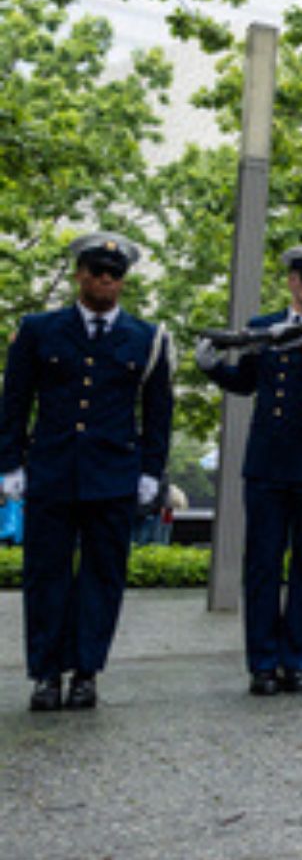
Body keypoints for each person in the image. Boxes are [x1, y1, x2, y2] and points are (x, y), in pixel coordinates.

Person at [1, 232, 174, 712]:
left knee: (102, 576)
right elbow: (14, 402)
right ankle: (45, 673)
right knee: (45, 575)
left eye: (115, 274)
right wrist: (9, 464)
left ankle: (86, 672)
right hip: (52, 471)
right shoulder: (38, 329)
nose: (105, 280)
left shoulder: (148, 338)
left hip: (113, 476)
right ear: (79, 273)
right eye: (97, 271)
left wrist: (150, 471)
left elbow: (158, 413)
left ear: (124, 282)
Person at [197, 244, 302, 696]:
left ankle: (297, 662)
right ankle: (263, 664)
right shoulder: (262, 327)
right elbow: (248, 381)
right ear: (291, 281)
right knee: (263, 566)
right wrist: (213, 369)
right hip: (269, 464)